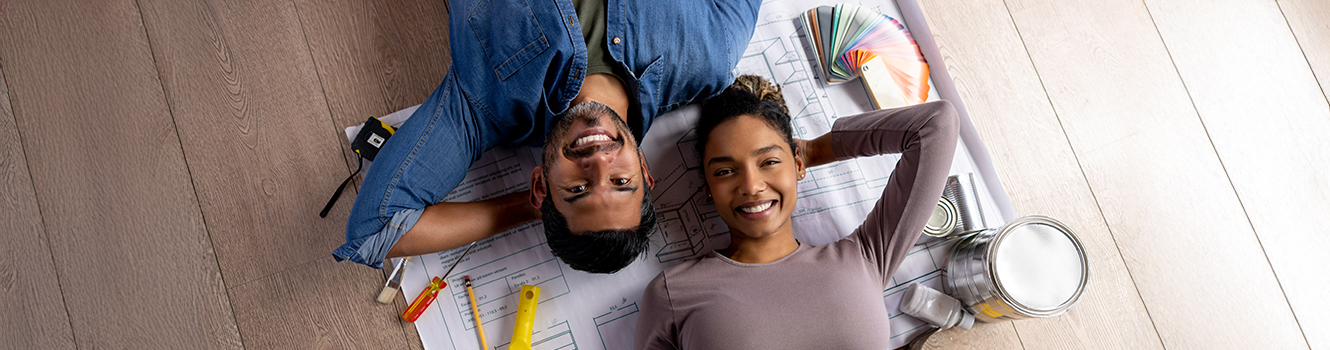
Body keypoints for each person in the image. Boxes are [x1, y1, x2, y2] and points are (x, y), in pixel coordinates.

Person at [333, 0, 762, 273]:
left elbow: (376, 230)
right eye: (620, 182)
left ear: (540, 183)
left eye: (577, 188)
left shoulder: (485, 103)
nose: (598, 163)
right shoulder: (710, 56)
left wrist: (529, 208)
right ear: (646, 171)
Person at [633, 75, 959, 349]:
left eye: (769, 162)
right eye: (724, 172)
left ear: (798, 164)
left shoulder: (866, 256)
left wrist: (817, 149)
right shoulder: (674, 294)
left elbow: (934, 125)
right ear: (707, 186)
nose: (751, 185)